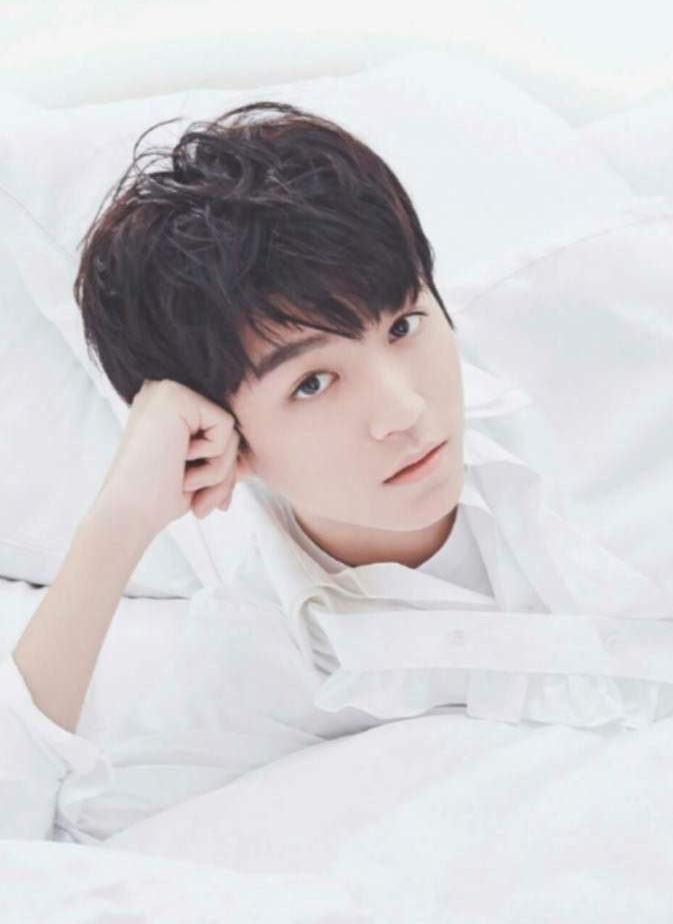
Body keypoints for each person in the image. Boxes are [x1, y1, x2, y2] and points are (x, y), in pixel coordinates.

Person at [2, 101, 672, 845]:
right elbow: (39, 845)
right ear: (218, 430)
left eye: (403, 325)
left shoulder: (609, 361)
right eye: (312, 383)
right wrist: (115, 525)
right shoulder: (261, 660)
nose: (404, 409)